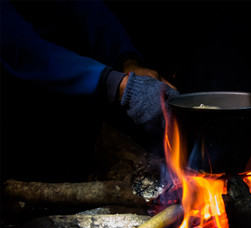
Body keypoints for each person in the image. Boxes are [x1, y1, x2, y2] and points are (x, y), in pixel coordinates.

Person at [0, 0, 178, 182]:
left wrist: (128, 62)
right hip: (19, 120)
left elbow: (94, 15)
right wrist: (124, 86)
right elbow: (25, 51)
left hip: (79, 119)